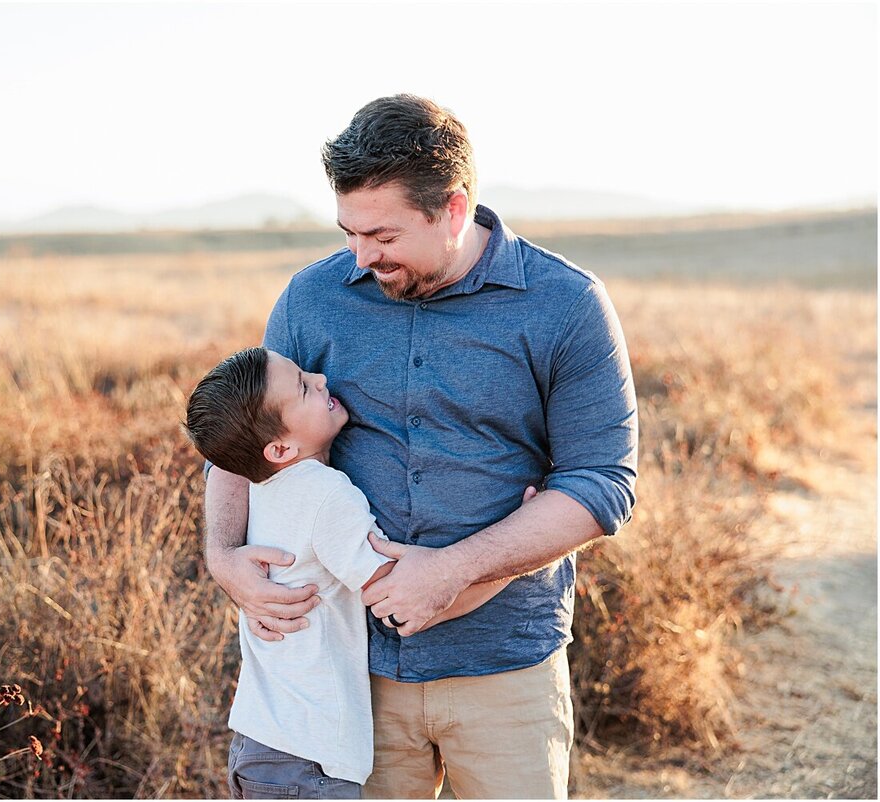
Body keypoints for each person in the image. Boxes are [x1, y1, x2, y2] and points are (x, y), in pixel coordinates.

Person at [203, 94, 638, 799]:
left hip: (505, 667)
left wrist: (457, 570)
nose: (361, 256)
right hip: (352, 678)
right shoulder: (313, 298)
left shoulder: (566, 304)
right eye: (349, 232)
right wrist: (223, 557)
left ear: (453, 210)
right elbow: (244, 438)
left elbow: (602, 482)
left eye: (383, 235)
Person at [185, 346, 511, 799]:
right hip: (309, 760)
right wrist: (512, 569)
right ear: (280, 448)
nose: (321, 379)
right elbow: (403, 600)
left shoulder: (263, 487)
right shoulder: (325, 495)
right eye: (303, 387)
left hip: (259, 744)